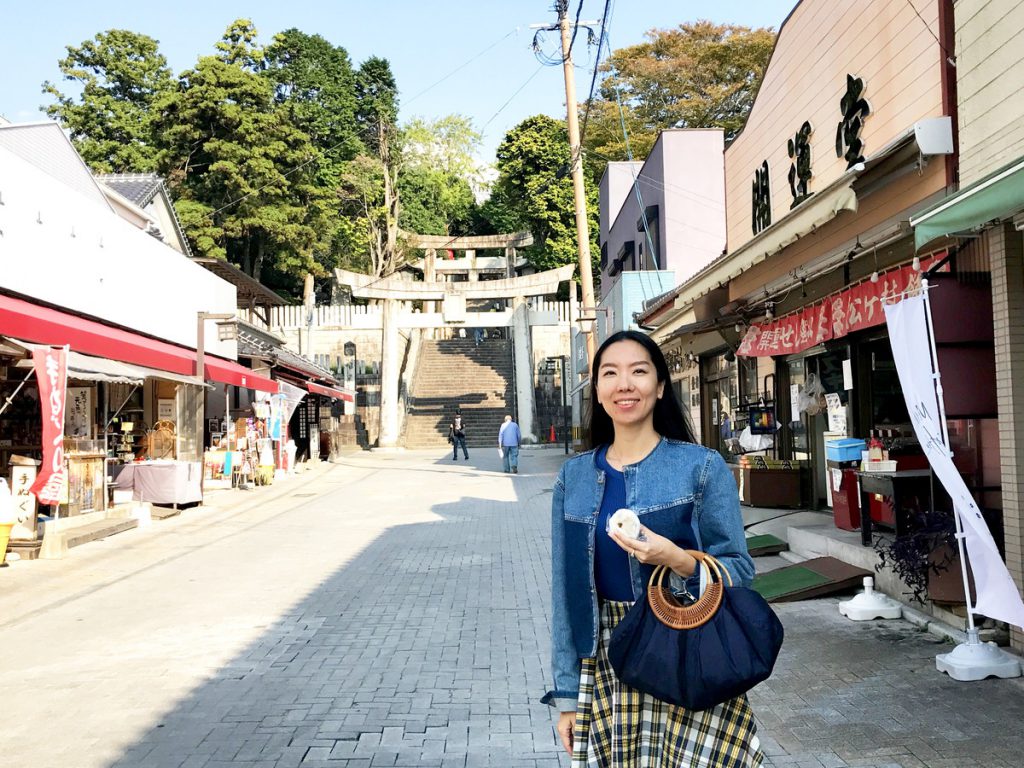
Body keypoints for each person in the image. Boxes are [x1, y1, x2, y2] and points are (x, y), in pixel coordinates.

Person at [542, 330, 762, 766]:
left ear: (660, 387)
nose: (625, 384)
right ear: (598, 391)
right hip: (604, 656)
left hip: (684, 646)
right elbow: (566, 594)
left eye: (639, 371)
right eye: (610, 373)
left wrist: (675, 559)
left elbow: (741, 569)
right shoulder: (574, 478)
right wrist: (567, 694)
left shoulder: (700, 467)